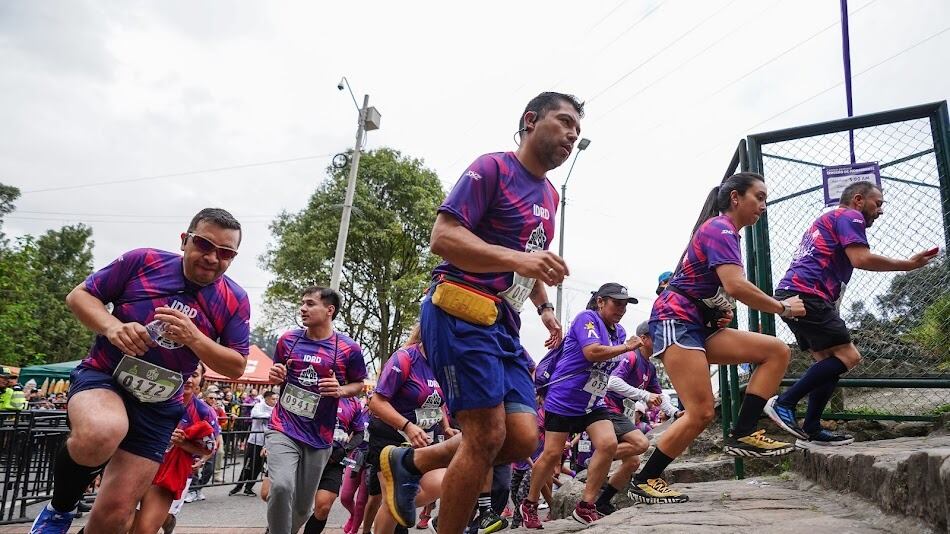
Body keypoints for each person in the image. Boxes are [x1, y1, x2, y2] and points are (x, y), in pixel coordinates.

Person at [378, 91, 582, 534]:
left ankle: (410, 462)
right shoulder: (492, 168)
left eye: (577, 130)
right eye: (564, 123)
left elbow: (530, 258)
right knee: (486, 437)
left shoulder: (550, 194)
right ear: (530, 121)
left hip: (504, 326)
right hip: (460, 309)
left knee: (523, 438)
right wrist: (518, 260)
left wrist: (544, 308)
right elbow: (444, 238)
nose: (571, 135)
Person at [31, 208, 250, 534]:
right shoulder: (144, 261)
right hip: (106, 378)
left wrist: (194, 338)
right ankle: (59, 510)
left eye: (225, 253)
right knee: (102, 430)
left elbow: (236, 365)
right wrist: (112, 327)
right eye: (204, 245)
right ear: (185, 240)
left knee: (116, 516)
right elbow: (79, 296)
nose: (212, 257)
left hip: (159, 404)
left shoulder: (234, 299)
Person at [632, 172, 807, 505]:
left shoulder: (727, 234)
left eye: (766, 199)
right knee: (700, 412)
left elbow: (717, 289)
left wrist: (716, 312)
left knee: (776, 351)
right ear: (735, 198)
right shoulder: (720, 228)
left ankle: (742, 433)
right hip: (676, 321)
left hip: (698, 324)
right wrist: (781, 307)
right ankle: (645, 478)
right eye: (760, 197)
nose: (764, 206)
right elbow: (735, 285)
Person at [765, 181, 938, 446]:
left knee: (827, 362)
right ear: (858, 200)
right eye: (877, 204)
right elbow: (861, 259)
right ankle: (784, 403)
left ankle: (811, 427)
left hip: (793, 293)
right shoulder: (849, 215)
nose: (880, 211)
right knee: (849, 356)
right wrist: (908, 265)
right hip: (808, 294)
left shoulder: (827, 219)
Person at [520, 283, 648, 526]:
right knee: (551, 455)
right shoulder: (586, 319)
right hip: (564, 399)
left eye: (624, 305)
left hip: (592, 402)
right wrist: (626, 347)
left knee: (608, 444)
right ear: (601, 302)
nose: (621, 309)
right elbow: (592, 352)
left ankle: (586, 505)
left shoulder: (619, 331)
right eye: (616, 303)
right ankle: (530, 503)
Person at [266, 286, 367, 534]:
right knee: (280, 487)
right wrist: (276, 375)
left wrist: (340, 390)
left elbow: (359, 385)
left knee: (301, 508)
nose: (303, 308)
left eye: (310, 304)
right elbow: (277, 373)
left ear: (329, 310)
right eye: (302, 303)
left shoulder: (348, 348)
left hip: (319, 438)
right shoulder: (288, 340)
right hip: (284, 427)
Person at [367, 325, 457, 534]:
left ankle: (435, 521)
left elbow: (436, 401)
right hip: (390, 440)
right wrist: (407, 426)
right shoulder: (405, 358)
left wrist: (446, 427)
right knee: (394, 502)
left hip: (425, 442)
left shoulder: (446, 366)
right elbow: (376, 402)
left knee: (442, 483)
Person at [129, 363, 219, 534]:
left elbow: (209, 448)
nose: (188, 379)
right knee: (124, 520)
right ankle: (167, 519)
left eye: (194, 374)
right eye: (183, 373)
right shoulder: (151, 399)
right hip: (139, 462)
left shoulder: (204, 412)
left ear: (200, 383)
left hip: (171, 473)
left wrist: (184, 444)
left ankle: (167, 519)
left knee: (145, 529)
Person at [302, 396, 370, 534]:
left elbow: (359, 433)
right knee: (297, 506)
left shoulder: (353, 402)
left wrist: (345, 450)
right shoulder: (316, 390)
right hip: (307, 455)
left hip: (334, 460)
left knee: (324, 507)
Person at [230, 390, 277, 496]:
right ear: (267, 399)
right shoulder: (258, 406)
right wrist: (269, 415)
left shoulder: (276, 409)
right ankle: (238, 486)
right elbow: (254, 415)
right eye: (273, 399)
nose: (275, 401)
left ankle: (249, 487)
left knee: (258, 466)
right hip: (255, 441)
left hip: (268, 442)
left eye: (276, 399)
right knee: (248, 465)